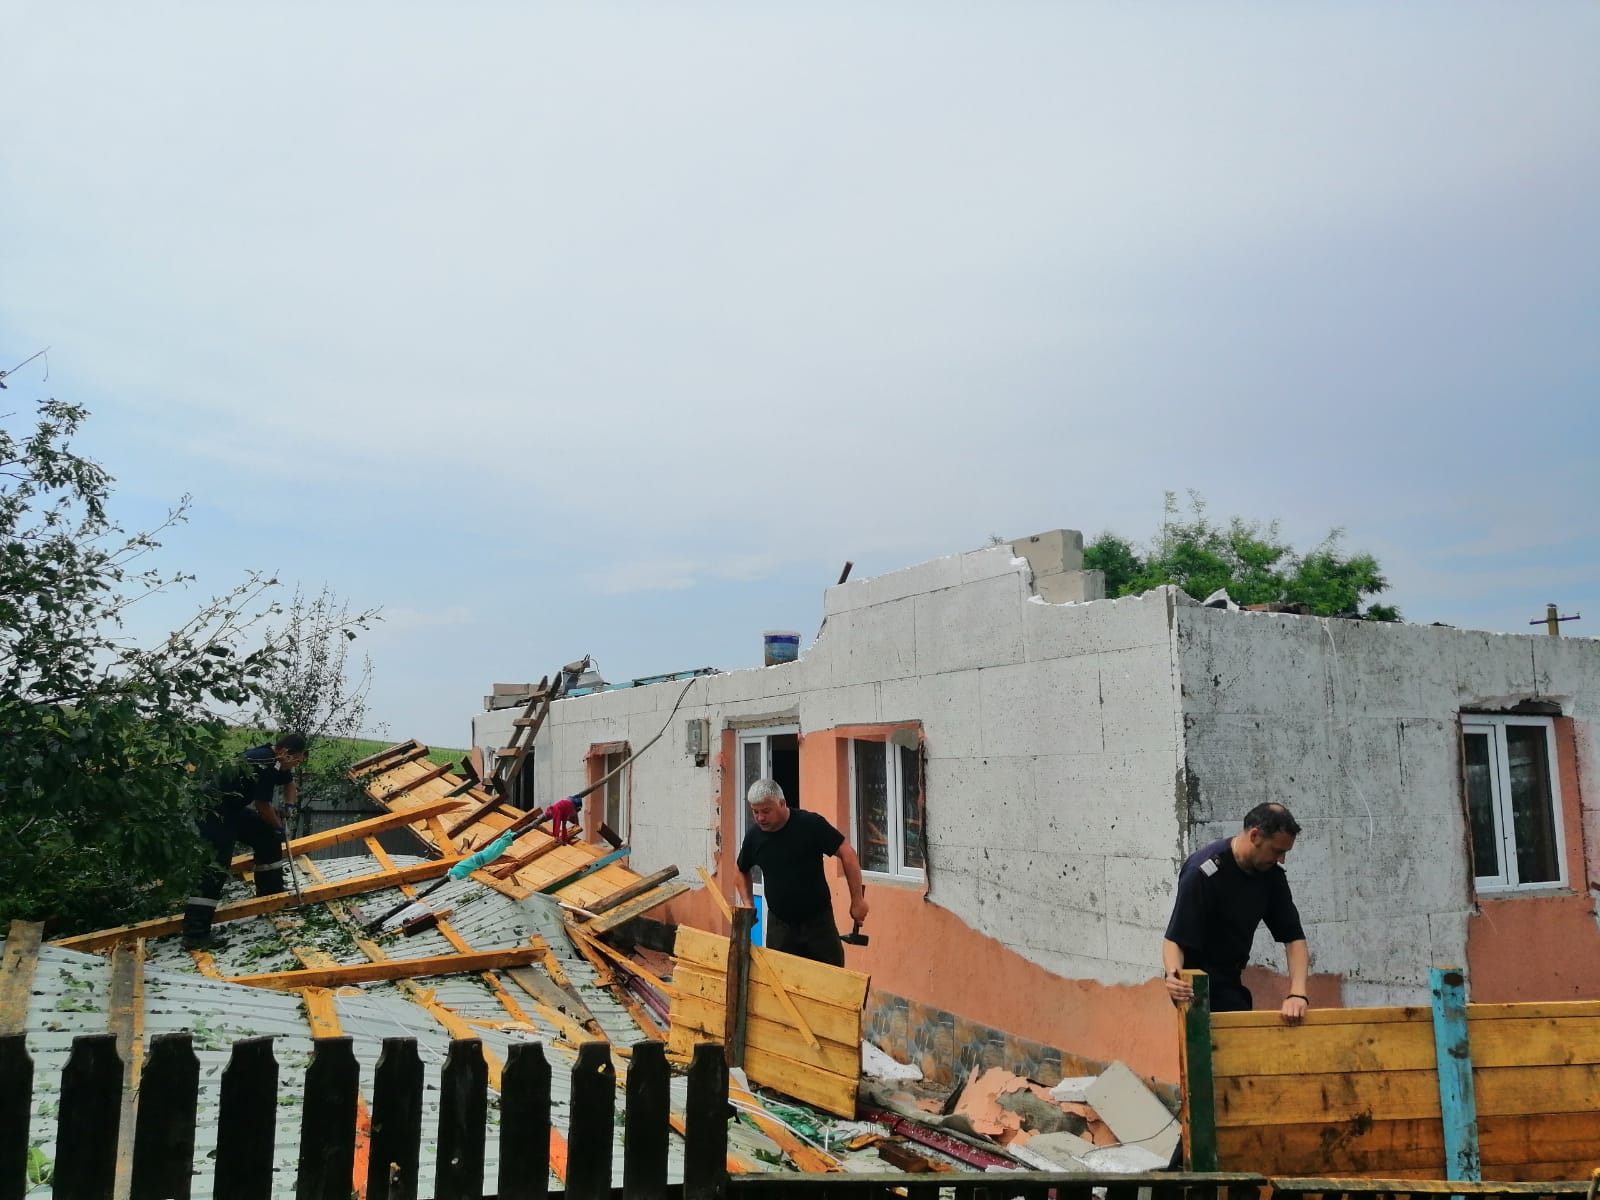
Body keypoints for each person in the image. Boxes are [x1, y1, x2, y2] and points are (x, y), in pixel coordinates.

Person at [1160, 802, 1310, 1024]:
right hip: (1194, 984)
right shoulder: (1202, 873)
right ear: (1255, 836)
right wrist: (1174, 975)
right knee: (1222, 1040)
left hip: (1231, 978)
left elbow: (1294, 938)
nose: (1281, 860)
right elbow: (1174, 939)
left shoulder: (1271, 876)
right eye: (1277, 851)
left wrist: (1298, 994)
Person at [181, 733, 309, 950]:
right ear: (286, 753)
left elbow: (289, 784)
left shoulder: (275, 760)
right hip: (213, 813)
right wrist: (279, 827)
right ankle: (195, 933)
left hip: (232, 811)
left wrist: (290, 806)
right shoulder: (264, 764)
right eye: (295, 761)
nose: (295, 765)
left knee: (266, 836)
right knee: (216, 867)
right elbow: (262, 805)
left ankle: (270, 896)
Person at [735, 778, 867, 967]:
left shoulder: (810, 825)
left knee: (831, 979)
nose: (760, 818)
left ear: (782, 803)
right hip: (779, 927)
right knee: (779, 981)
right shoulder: (754, 837)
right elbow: (741, 870)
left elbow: (848, 854)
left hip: (818, 924)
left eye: (766, 811)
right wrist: (748, 903)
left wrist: (857, 900)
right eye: (755, 812)